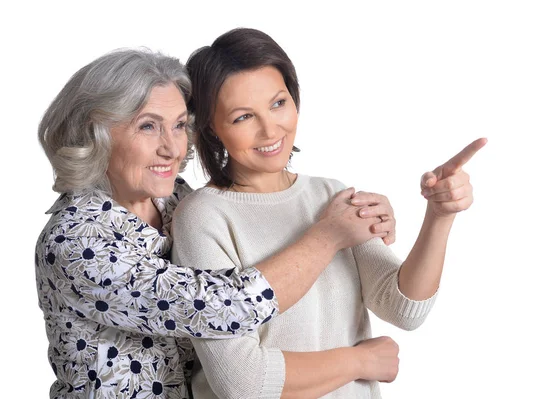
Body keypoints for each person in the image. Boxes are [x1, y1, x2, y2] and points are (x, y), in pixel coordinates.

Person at [35, 48, 399, 398]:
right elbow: (224, 307)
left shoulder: (174, 197)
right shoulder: (77, 240)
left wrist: (370, 223)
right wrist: (328, 237)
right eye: (148, 126)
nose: (172, 148)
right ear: (93, 133)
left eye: (179, 126)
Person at [173, 27, 487, 398]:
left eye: (278, 103)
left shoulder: (329, 195)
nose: (270, 129)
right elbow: (240, 383)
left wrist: (439, 216)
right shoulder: (202, 217)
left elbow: (405, 309)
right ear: (210, 128)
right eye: (243, 117)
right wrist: (360, 362)